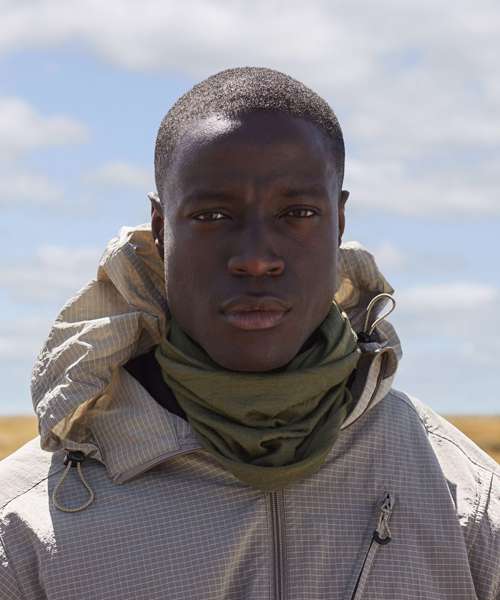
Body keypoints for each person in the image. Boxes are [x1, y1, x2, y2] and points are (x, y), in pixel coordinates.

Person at [0, 67, 498, 600]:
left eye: (297, 213)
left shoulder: (465, 499)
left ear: (339, 224)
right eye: (213, 215)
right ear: (161, 230)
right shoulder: (25, 529)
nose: (256, 259)